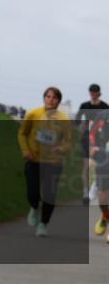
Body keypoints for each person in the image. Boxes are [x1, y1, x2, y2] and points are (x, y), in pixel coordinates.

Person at [17, 87, 72, 237]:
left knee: (49, 195)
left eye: (54, 98)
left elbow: (69, 142)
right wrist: (25, 151)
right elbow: (22, 134)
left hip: (53, 163)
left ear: (58, 101)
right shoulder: (33, 114)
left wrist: (61, 149)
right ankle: (34, 208)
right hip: (34, 160)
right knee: (32, 193)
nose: (50, 100)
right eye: (48, 96)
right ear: (44, 98)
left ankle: (43, 224)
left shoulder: (64, 120)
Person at [78, 83, 108, 205]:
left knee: (103, 168)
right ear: (90, 93)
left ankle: (95, 189)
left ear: (99, 93)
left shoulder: (105, 106)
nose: (93, 94)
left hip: (102, 142)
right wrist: (81, 126)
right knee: (87, 166)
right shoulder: (84, 106)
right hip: (88, 140)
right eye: (92, 92)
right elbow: (77, 121)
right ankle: (86, 192)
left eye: (95, 92)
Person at [88, 105, 109, 243]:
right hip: (104, 158)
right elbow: (92, 134)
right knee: (102, 196)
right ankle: (105, 215)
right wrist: (93, 147)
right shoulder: (103, 115)